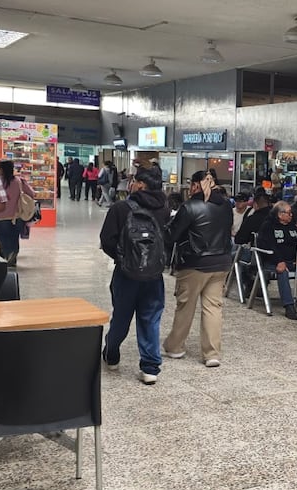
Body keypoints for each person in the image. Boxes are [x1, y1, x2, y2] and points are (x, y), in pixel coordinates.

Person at [98, 165, 170, 385]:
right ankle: (150, 368)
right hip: (154, 275)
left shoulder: (121, 208)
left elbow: (107, 240)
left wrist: (123, 259)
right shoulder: (164, 208)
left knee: (121, 316)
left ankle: (112, 355)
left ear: (141, 185)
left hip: (126, 275)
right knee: (150, 318)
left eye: (134, 180)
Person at [163, 171, 234, 368]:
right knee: (213, 307)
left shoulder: (190, 206)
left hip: (194, 263)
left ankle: (175, 347)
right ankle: (212, 354)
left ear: (195, 185)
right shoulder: (226, 205)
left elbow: (171, 236)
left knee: (186, 306)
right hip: (221, 262)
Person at [255, 201, 297, 320]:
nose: (291, 215)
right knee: (283, 272)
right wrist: (279, 261)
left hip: (293, 260)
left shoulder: (292, 226)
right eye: (289, 213)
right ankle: (289, 306)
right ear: (280, 214)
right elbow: (267, 246)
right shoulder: (268, 226)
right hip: (273, 261)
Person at [0, 160, 37, 267]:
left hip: (0, 216)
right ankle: (12, 259)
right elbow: (32, 194)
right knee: (14, 238)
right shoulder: (19, 181)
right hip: (17, 217)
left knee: (3, 239)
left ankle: (4, 257)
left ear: (1, 169)